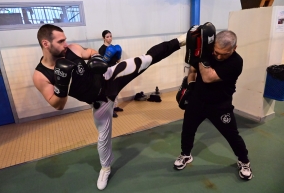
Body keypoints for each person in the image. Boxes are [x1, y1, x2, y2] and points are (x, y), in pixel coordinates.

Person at [33, 24, 187, 190]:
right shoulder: (41, 75)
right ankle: (105, 168)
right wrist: (62, 84)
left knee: (147, 59)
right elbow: (58, 105)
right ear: (46, 44)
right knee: (103, 139)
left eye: (65, 39)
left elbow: (91, 53)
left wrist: (97, 58)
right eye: (61, 41)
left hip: (110, 77)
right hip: (99, 103)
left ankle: (184, 39)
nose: (65, 43)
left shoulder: (72, 49)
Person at [173, 25, 253, 181]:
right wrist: (189, 87)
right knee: (187, 129)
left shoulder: (236, 62)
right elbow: (193, 71)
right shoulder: (209, 52)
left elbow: (208, 77)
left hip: (220, 105)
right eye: (215, 52)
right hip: (198, 100)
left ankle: (244, 161)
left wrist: (201, 55)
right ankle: (185, 154)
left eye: (223, 54)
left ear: (234, 48)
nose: (217, 56)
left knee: (232, 135)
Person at [98, 30, 123, 118]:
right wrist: (106, 58)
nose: (109, 38)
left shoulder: (115, 47)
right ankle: (110, 110)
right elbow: (101, 63)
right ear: (103, 38)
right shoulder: (102, 49)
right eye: (107, 37)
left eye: (110, 36)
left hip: (114, 69)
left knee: (115, 89)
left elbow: (118, 60)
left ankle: (115, 106)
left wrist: (119, 55)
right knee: (109, 90)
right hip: (107, 71)